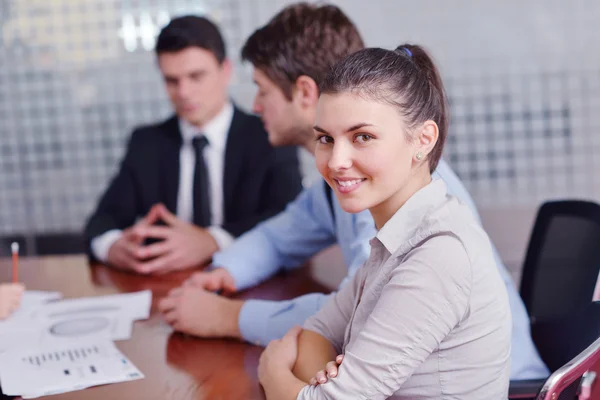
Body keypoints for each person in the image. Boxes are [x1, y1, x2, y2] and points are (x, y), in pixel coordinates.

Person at [158, 3, 548, 380]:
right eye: (328, 139)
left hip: (507, 388)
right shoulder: (343, 181)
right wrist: (222, 272)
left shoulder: (389, 187)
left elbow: (363, 319)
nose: (256, 106)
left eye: (262, 90)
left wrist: (228, 319)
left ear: (305, 92)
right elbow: (280, 238)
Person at [258, 43, 511, 399]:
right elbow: (316, 333)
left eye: (363, 137)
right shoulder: (399, 238)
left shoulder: (439, 254)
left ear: (423, 139)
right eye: (326, 139)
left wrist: (274, 375)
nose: (336, 161)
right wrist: (326, 382)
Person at [84, 16, 302, 274]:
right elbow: (101, 221)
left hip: (254, 281)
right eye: (172, 81)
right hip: (169, 285)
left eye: (196, 76)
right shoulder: (146, 143)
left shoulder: (269, 135)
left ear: (226, 71)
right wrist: (113, 247)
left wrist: (212, 241)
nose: (184, 92)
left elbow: (290, 217)